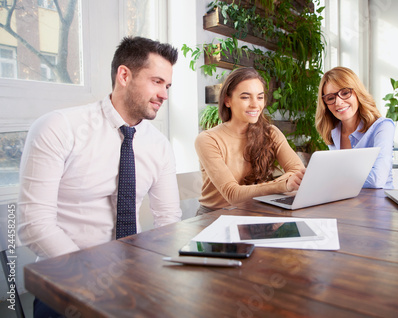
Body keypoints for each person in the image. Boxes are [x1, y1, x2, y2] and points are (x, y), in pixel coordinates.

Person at [18, 36, 182, 317]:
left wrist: (157, 273)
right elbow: (34, 225)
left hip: (135, 277)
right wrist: (100, 278)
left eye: (167, 86)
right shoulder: (58, 128)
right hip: (67, 279)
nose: (165, 94)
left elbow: (168, 221)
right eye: (157, 82)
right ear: (124, 75)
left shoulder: (159, 145)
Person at [194, 67, 306, 214]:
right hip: (215, 215)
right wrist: (283, 184)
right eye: (245, 97)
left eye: (260, 97)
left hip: (255, 210)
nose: (255, 104)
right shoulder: (208, 139)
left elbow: (297, 171)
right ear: (227, 100)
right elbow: (232, 194)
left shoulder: (270, 133)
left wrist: (286, 182)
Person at [315, 67, 395, 189]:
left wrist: (330, 175)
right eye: (330, 98)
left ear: (357, 92)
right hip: (347, 202)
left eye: (345, 93)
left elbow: (376, 180)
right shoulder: (333, 133)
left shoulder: (383, 127)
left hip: (379, 204)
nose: (338, 102)